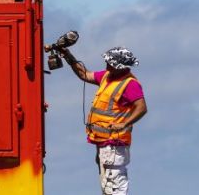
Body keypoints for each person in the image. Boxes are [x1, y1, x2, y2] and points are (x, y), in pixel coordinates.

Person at [60, 46, 147, 195]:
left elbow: (142, 107)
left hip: (115, 143)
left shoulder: (130, 84)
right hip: (103, 141)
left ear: (119, 66)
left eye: (110, 63)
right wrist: (68, 56)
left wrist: (124, 123)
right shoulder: (107, 76)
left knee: (114, 185)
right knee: (107, 185)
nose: (106, 65)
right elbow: (84, 74)